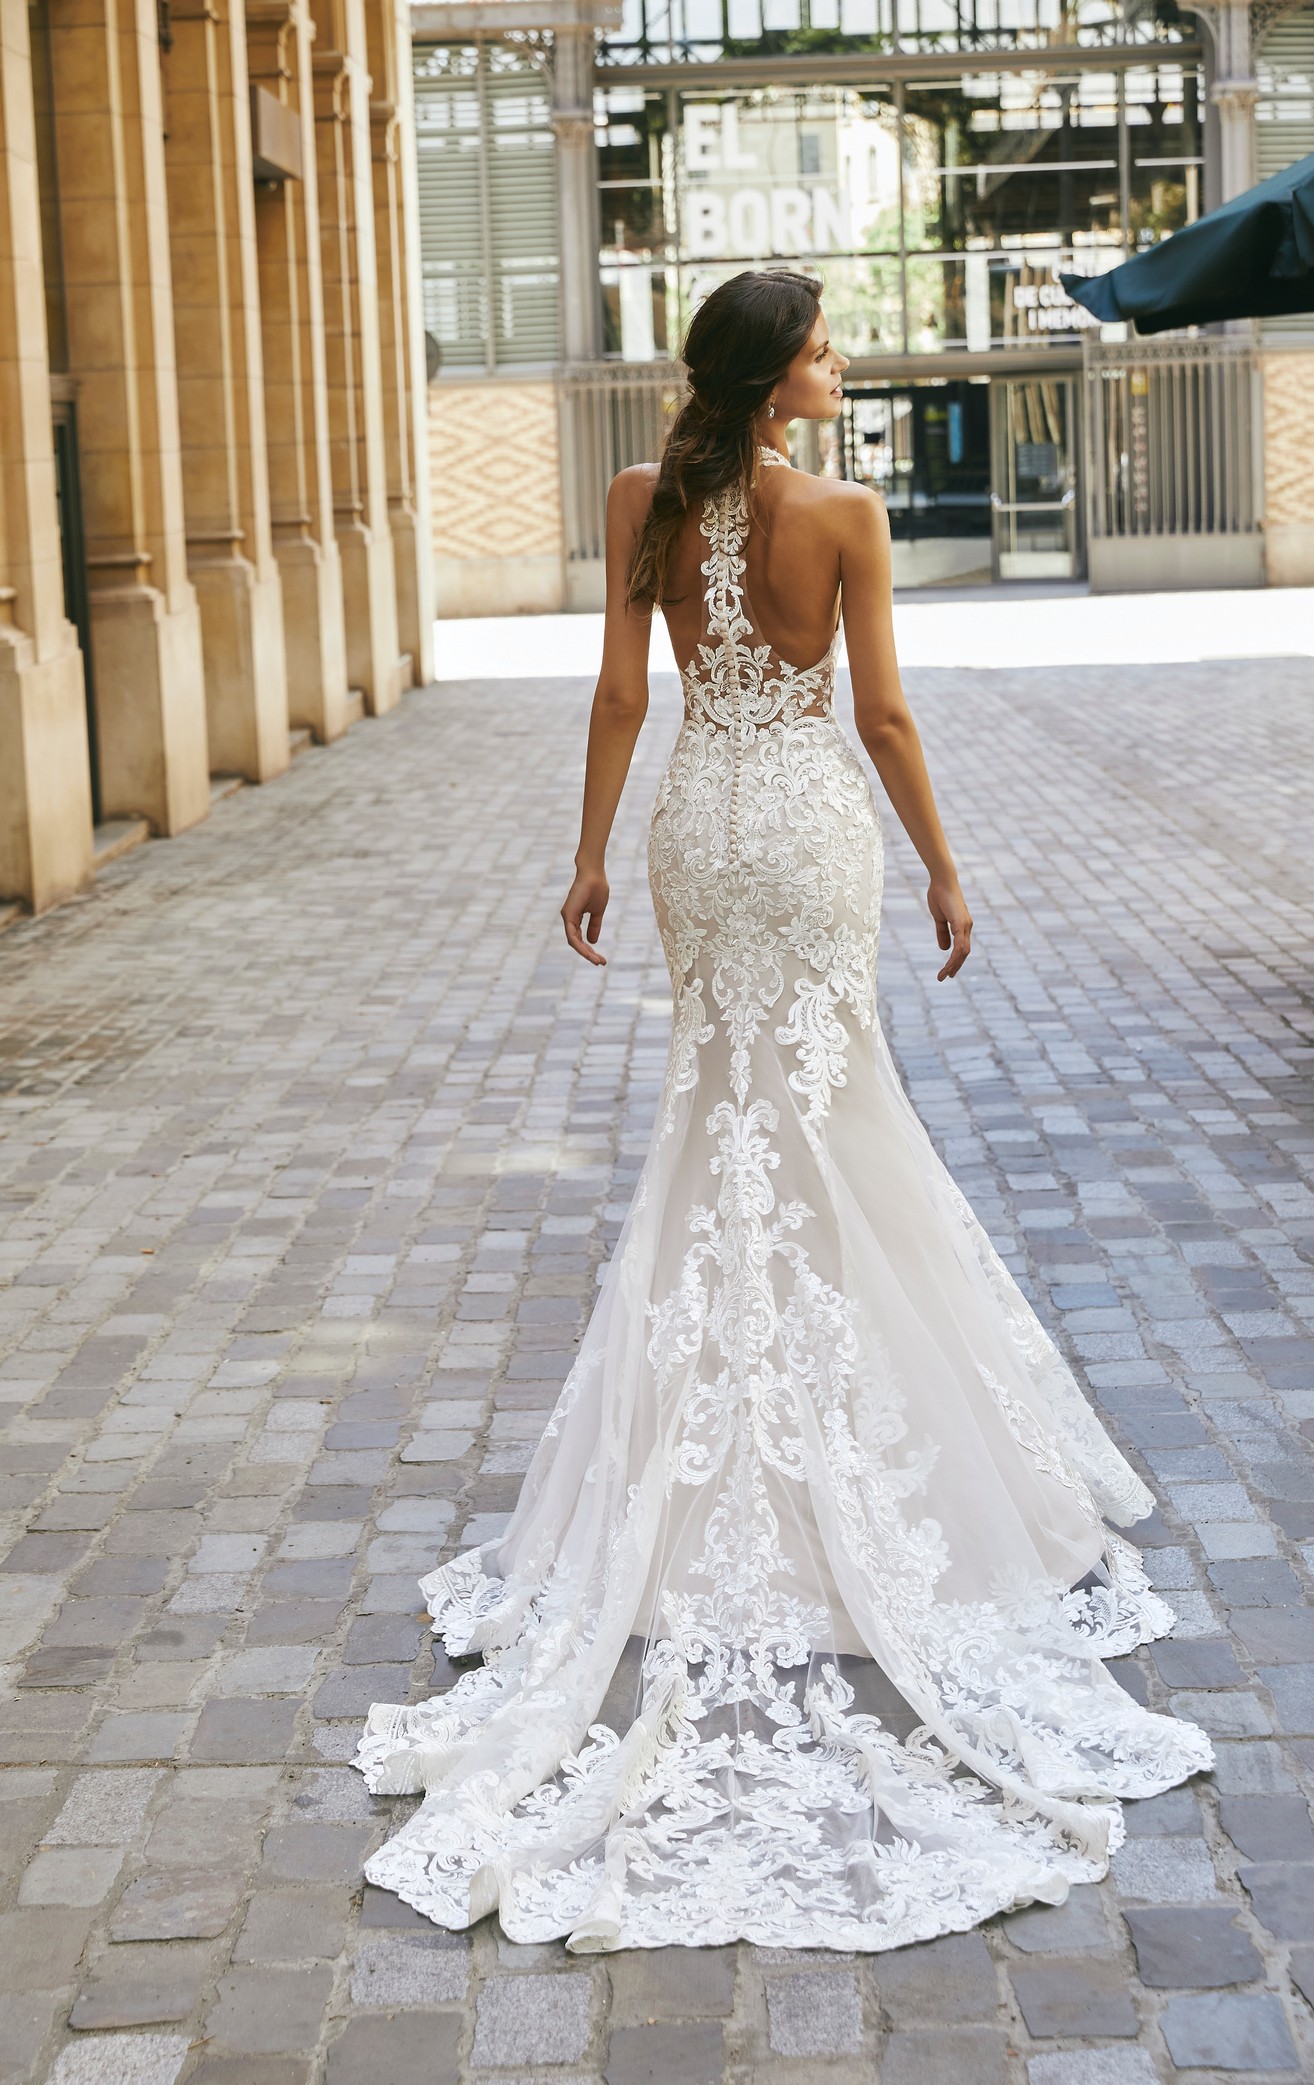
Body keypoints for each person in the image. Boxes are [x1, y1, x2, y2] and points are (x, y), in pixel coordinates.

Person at [356, 269, 1211, 1952]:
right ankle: (863, 1465)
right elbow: (880, 713)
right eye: (822, 347)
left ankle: (704, 1474)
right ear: (771, 377)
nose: (843, 365)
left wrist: (592, 850)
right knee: (830, 1122)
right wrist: (947, 871)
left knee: (715, 1126)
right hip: (807, 835)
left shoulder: (637, 500)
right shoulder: (846, 514)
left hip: (698, 828)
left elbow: (620, 696)